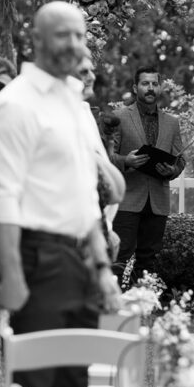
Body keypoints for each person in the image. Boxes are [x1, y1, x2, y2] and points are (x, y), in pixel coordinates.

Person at [0, 1, 121, 387]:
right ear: (38, 40)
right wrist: (14, 279)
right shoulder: (14, 105)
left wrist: (101, 265)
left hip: (77, 256)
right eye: (63, 35)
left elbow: (81, 195)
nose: (74, 44)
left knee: (70, 382)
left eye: (80, 35)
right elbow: (1, 194)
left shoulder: (73, 100)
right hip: (35, 256)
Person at [109, 67, 185, 287]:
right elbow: (106, 156)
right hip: (127, 200)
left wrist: (171, 171)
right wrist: (126, 161)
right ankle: (114, 307)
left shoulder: (172, 122)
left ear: (159, 87)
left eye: (154, 83)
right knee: (118, 257)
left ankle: (143, 307)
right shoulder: (120, 117)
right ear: (135, 88)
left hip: (157, 202)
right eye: (145, 83)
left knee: (149, 260)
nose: (150, 88)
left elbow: (180, 159)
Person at [74, 52, 126, 260]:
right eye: (84, 72)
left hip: (99, 227)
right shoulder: (58, 117)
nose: (92, 77)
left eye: (92, 70)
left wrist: (107, 227)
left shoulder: (84, 111)